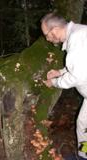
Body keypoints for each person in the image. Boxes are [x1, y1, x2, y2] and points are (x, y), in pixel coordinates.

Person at [41, 12, 87, 160]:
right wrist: (59, 72)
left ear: (54, 30)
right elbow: (80, 65)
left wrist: (54, 82)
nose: (47, 39)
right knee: (82, 123)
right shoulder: (78, 32)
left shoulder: (77, 39)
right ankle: (84, 154)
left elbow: (77, 76)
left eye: (46, 35)